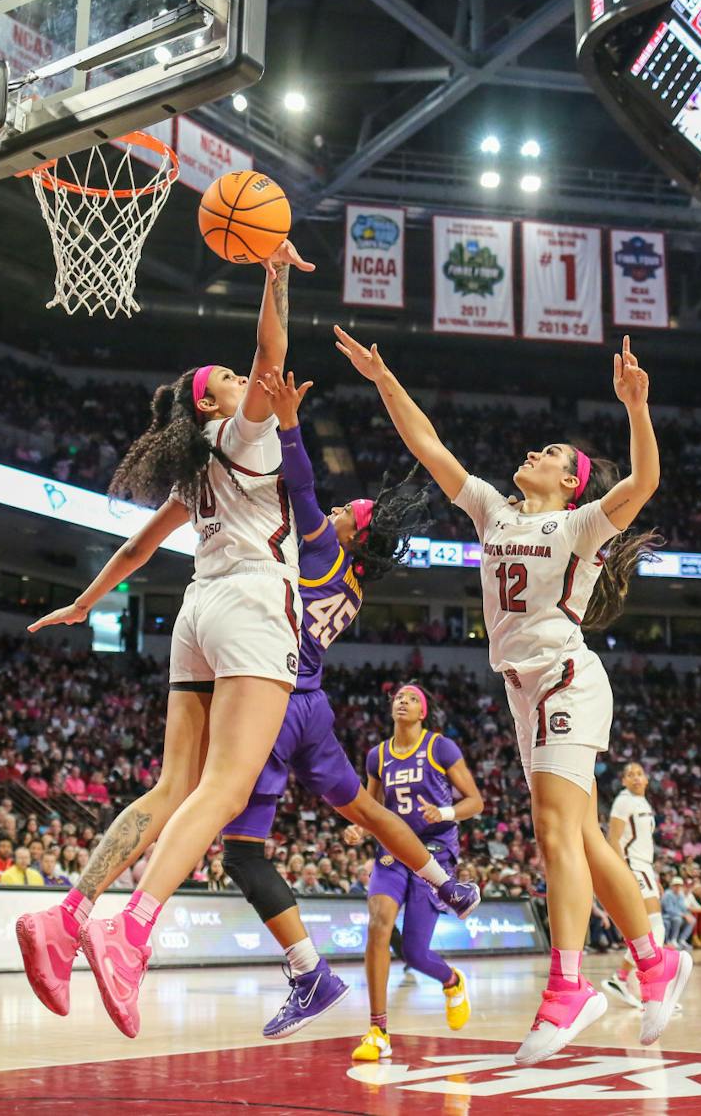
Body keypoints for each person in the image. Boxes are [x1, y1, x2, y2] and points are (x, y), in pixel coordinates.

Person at [335, 327, 689, 1066]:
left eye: (554, 453)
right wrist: (382, 377)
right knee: (584, 842)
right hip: (523, 693)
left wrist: (637, 406)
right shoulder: (494, 510)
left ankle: (569, 987)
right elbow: (429, 447)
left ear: (570, 483)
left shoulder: (582, 522)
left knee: (558, 835)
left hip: (567, 679)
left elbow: (645, 482)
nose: (537, 451)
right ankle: (654, 961)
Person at [17, 242, 321, 1039]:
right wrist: (276, 273)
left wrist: (85, 603)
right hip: (252, 603)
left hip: (196, 612)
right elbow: (270, 351)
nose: (237, 375)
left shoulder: (194, 468)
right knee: (222, 789)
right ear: (215, 402)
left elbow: (136, 550)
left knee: (173, 783)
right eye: (224, 377)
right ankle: (132, 928)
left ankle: (69, 913)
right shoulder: (248, 434)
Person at [214, 373, 477, 1043]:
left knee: (241, 852)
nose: (330, 511)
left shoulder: (325, 548)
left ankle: (307, 970)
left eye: (343, 512)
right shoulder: (354, 589)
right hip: (315, 707)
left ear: (352, 532)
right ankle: (445, 881)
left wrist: (290, 424)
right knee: (367, 807)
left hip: (276, 698)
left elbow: (299, 487)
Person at [343, 685, 484, 1062]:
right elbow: (371, 807)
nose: (401, 701)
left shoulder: (440, 747)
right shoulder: (377, 756)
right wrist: (359, 827)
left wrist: (445, 813)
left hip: (434, 849)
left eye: (411, 698)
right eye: (397, 697)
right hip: (392, 850)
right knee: (378, 923)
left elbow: (475, 801)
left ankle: (452, 982)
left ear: (422, 712)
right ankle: (378, 1030)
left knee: (415, 953)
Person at [601, 762, 662, 1010]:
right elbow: (612, 838)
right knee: (655, 928)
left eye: (639, 773)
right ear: (624, 781)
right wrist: (623, 869)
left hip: (645, 867)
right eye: (629, 774)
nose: (635, 777)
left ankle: (627, 979)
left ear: (646, 779)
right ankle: (633, 982)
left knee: (650, 929)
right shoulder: (624, 800)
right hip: (634, 867)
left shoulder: (644, 804)